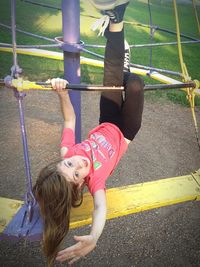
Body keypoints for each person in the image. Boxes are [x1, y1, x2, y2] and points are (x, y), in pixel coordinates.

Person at [33, 1, 144, 266]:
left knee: (112, 77)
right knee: (136, 85)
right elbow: (99, 208)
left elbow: (70, 118)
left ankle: (116, 17)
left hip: (107, 119)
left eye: (68, 164)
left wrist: (62, 92)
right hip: (126, 131)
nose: (78, 164)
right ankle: (126, 69)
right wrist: (94, 236)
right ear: (80, 184)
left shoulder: (68, 152)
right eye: (76, 173)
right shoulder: (95, 183)